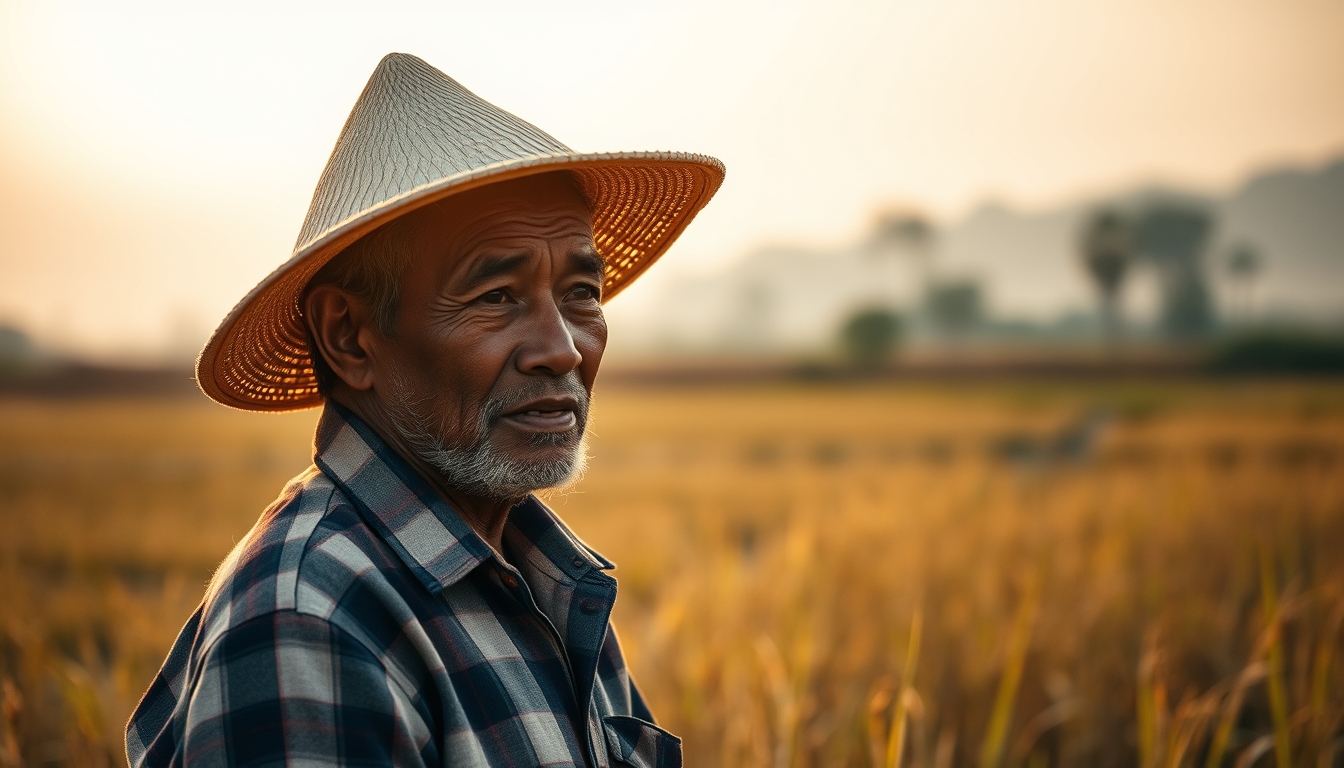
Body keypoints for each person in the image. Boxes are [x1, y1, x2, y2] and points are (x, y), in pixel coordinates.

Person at [126, 52, 723, 768]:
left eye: (581, 294)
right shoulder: (311, 622)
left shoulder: (544, 578)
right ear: (349, 336)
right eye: (496, 296)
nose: (562, 350)